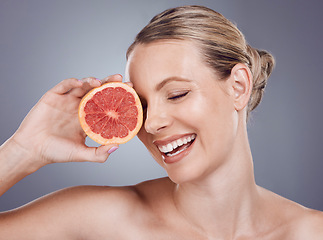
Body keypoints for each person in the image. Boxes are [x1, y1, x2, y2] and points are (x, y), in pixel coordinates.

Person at [0, 5, 322, 239]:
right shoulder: (104, 219)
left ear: (238, 87)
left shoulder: (310, 232)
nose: (151, 123)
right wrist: (23, 151)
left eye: (177, 94)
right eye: (139, 105)